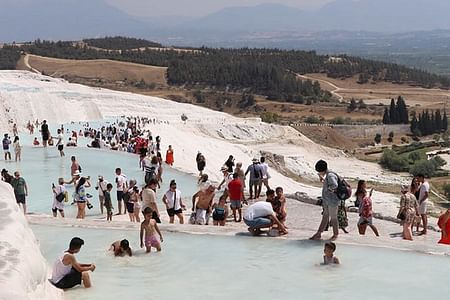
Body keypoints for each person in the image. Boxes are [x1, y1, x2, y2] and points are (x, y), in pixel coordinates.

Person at [310, 160, 340, 241]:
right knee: (325, 216)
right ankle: (319, 233)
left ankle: (335, 234)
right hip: (327, 201)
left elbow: (334, 185)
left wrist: (328, 190)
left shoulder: (330, 175)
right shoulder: (328, 175)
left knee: (333, 217)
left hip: (332, 201)